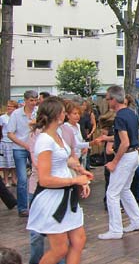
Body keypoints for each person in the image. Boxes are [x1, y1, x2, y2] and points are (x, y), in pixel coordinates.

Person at [26, 97, 91, 264]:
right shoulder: (45, 140)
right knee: (59, 249)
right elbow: (45, 179)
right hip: (52, 199)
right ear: (57, 115)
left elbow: (63, 159)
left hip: (66, 196)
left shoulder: (57, 135)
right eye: (63, 112)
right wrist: (75, 181)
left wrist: (79, 171)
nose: (66, 114)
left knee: (78, 240)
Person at [97, 85, 139, 240]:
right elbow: (127, 137)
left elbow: (124, 142)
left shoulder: (119, 117)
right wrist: (107, 138)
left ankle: (115, 229)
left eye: (107, 98)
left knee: (112, 193)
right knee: (124, 189)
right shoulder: (131, 114)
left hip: (125, 156)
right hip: (134, 155)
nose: (106, 101)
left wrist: (114, 162)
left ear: (113, 99)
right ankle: (137, 221)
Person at [6, 90, 38, 217]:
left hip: (35, 147)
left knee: (37, 175)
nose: (34, 103)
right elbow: (10, 133)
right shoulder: (16, 114)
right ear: (25, 101)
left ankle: (35, 205)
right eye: (31, 100)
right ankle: (23, 208)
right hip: (20, 147)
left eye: (35, 100)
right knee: (23, 179)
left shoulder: (38, 112)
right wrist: (24, 144)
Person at [0, 101, 18, 187]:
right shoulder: (3, 117)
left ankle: (14, 179)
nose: (9, 108)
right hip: (5, 142)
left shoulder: (17, 117)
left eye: (11, 106)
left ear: (15, 108)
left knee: (14, 163)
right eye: (8, 106)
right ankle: (6, 180)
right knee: (5, 163)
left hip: (14, 142)